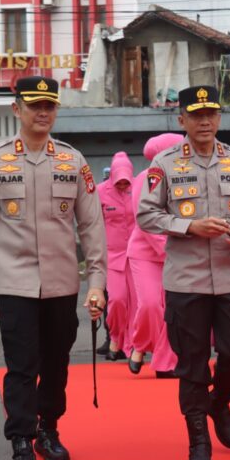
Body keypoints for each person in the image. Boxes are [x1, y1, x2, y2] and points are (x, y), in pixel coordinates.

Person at [0, 76, 107, 460]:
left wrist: (97, 281)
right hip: (14, 283)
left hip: (63, 283)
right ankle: (22, 445)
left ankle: (49, 428)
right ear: (17, 109)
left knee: (57, 365)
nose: (43, 112)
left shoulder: (72, 161)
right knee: (22, 368)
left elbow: (92, 226)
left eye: (49, 106)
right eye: (34, 106)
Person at [137, 85, 230, 460]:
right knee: (192, 365)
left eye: (211, 113)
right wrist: (188, 226)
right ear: (182, 120)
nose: (204, 120)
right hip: (186, 281)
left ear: (219, 117)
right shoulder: (164, 164)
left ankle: (220, 401)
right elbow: (146, 215)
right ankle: (198, 442)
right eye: (195, 114)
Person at [127, 133, 184, 378]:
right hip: (145, 253)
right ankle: (139, 344)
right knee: (150, 305)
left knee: (173, 311)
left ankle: (165, 363)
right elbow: (146, 222)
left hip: (176, 254)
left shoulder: (183, 176)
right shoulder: (144, 179)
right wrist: (168, 249)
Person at [95, 152, 137, 364]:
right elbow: (93, 225)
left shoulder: (139, 188)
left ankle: (133, 344)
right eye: (118, 183)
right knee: (117, 300)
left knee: (139, 303)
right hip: (112, 255)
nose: (122, 186)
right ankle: (115, 337)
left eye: (125, 183)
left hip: (138, 254)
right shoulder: (100, 192)